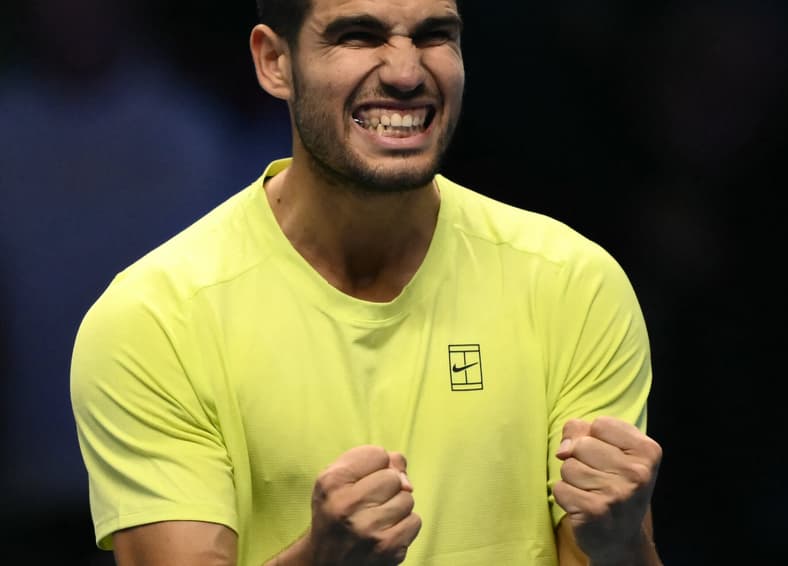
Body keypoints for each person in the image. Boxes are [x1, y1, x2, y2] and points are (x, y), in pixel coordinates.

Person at [69, 0, 664, 564]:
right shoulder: (153, 318)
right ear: (275, 62)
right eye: (359, 35)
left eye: (435, 35)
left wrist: (620, 547)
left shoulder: (571, 282)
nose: (407, 72)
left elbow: (608, 549)